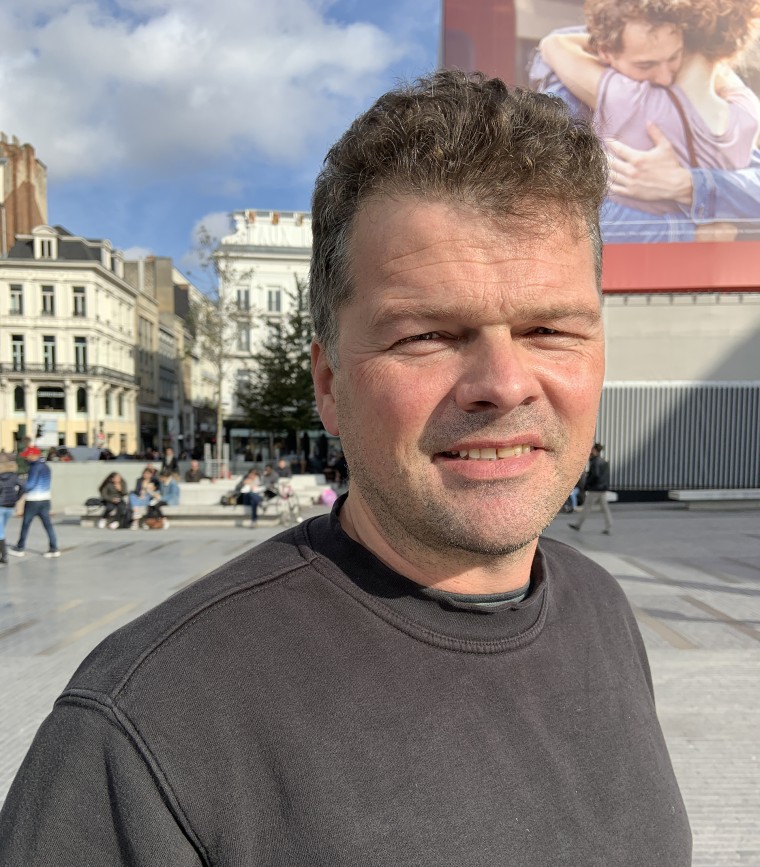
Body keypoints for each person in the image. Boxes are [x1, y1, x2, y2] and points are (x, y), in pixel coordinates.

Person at [0, 71, 691, 863]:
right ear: (328, 382)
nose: (503, 383)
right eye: (426, 335)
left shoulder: (602, 611)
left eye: (549, 329)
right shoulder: (148, 728)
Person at [532, 0, 760, 242]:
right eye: (645, 65)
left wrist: (687, 183)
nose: (664, 78)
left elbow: (556, 45)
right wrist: (695, 231)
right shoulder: (746, 109)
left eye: (674, 58)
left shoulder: (632, 97)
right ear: (605, 53)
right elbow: (556, 209)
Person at [7, 446, 60, 558]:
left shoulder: (34, 468)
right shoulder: (46, 467)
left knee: (26, 524)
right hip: (45, 499)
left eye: (27, 456)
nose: (26, 458)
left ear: (33, 456)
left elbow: (30, 485)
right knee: (48, 525)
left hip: (33, 501)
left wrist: (20, 483)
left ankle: (20, 548)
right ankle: (54, 548)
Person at [570, 443, 614, 534]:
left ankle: (578, 525)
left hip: (595, 489)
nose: (590, 451)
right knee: (605, 508)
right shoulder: (604, 461)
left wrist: (587, 484)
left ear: (595, 451)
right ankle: (609, 526)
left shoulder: (595, 462)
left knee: (586, 508)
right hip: (602, 488)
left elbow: (594, 475)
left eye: (592, 449)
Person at [0, 452, 24, 565]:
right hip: (10, 506)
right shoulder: (14, 476)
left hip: (0, 505)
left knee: (0, 532)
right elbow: (24, 486)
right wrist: (17, 498)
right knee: (1, 529)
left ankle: (4, 556)